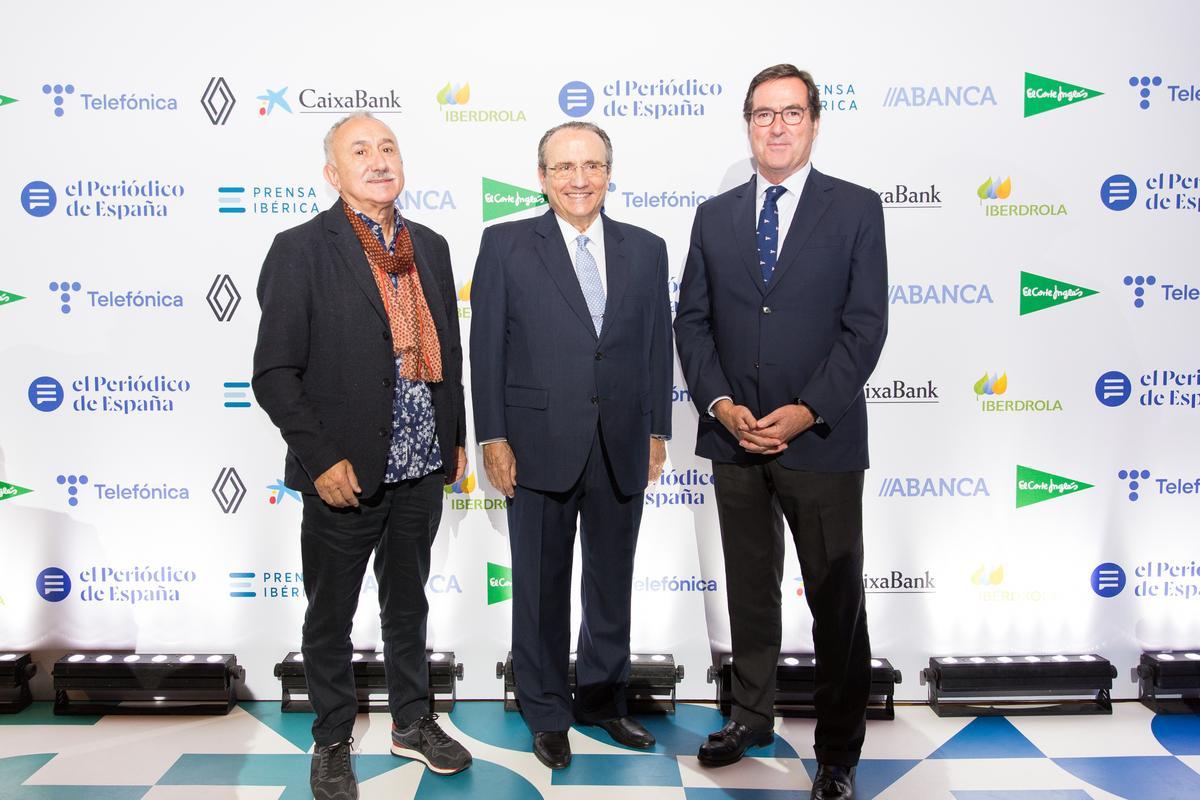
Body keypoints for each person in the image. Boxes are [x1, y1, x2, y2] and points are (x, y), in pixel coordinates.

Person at [674, 64, 888, 800]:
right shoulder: (714, 216)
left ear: (815, 122)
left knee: (836, 601)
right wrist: (719, 403)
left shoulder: (856, 208)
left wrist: (805, 409)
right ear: (748, 125)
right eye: (763, 113)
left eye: (791, 112)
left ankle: (838, 752)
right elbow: (693, 323)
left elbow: (865, 328)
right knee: (750, 592)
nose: (777, 126)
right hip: (734, 439)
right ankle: (750, 717)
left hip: (820, 441)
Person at [253, 112, 472, 800]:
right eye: (360, 151)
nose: (379, 161)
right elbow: (274, 373)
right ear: (332, 173)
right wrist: (320, 460)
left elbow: (449, 351)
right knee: (330, 616)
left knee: (408, 605)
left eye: (387, 148)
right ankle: (331, 738)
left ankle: (412, 721)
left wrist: (455, 436)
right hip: (343, 472)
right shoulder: (299, 249)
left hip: (421, 463)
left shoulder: (429, 245)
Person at [469, 121, 673, 770]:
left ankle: (604, 701)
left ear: (609, 173)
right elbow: (485, 350)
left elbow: (657, 346)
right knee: (539, 589)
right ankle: (547, 711)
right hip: (535, 447)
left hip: (621, 443)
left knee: (611, 585)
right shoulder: (504, 244)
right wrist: (493, 437)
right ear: (542, 177)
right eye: (563, 167)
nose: (578, 179)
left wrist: (656, 432)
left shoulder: (647, 249)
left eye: (591, 166)